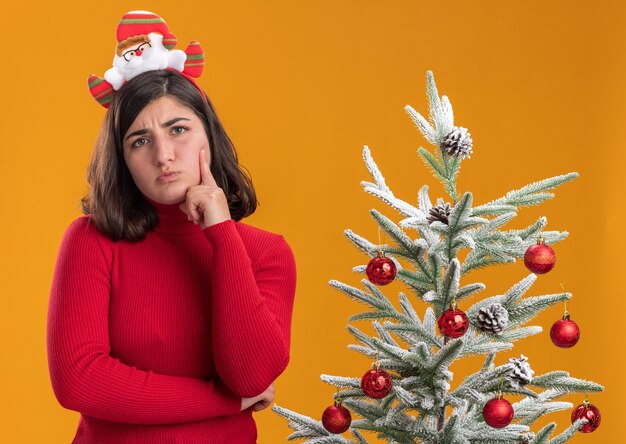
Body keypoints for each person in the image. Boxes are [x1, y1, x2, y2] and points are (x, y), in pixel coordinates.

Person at [46, 11, 297, 444]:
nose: (164, 155)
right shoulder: (92, 240)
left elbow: (250, 374)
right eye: (139, 141)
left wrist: (221, 233)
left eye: (178, 129)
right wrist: (226, 403)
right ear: (122, 160)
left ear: (208, 137)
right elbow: (79, 381)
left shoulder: (266, 253)